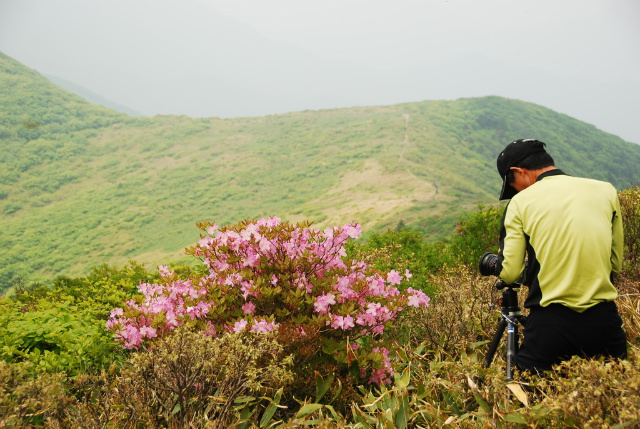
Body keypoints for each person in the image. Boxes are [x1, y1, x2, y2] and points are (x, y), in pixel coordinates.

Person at [494, 138, 627, 374]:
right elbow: (615, 263)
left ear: (518, 171)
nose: (515, 190)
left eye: (512, 184)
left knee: (529, 399)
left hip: (550, 322)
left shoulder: (520, 202)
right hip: (604, 318)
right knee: (616, 399)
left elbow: (511, 271)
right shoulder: (606, 190)